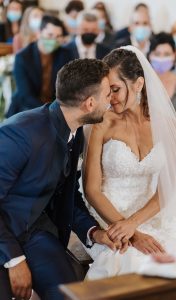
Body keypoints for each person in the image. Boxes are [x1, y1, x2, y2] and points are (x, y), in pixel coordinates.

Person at [0, 58, 119, 300]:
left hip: (34, 231)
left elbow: (66, 195)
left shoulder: (73, 132)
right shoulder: (20, 134)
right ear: (89, 103)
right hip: (4, 235)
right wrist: (14, 259)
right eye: (108, 94)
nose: (111, 101)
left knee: (70, 293)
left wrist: (94, 232)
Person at [82, 46, 176, 284]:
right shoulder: (101, 122)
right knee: (132, 262)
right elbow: (91, 189)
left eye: (115, 89)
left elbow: (167, 189)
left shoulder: (165, 122)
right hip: (109, 214)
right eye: (107, 90)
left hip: (150, 214)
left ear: (138, 84)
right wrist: (132, 233)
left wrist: (134, 223)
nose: (110, 98)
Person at [7, 15, 71, 117]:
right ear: (38, 34)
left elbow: (68, 87)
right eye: (50, 35)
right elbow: (25, 94)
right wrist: (48, 112)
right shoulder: (23, 57)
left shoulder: (66, 54)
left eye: (58, 36)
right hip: (27, 108)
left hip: (56, 108)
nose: (54, 39)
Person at [148, 32, 176, 132]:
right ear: (150, 55)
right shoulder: (141, 83)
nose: (162, 59)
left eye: (167, 54)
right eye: (157, 54)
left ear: (174, 55)